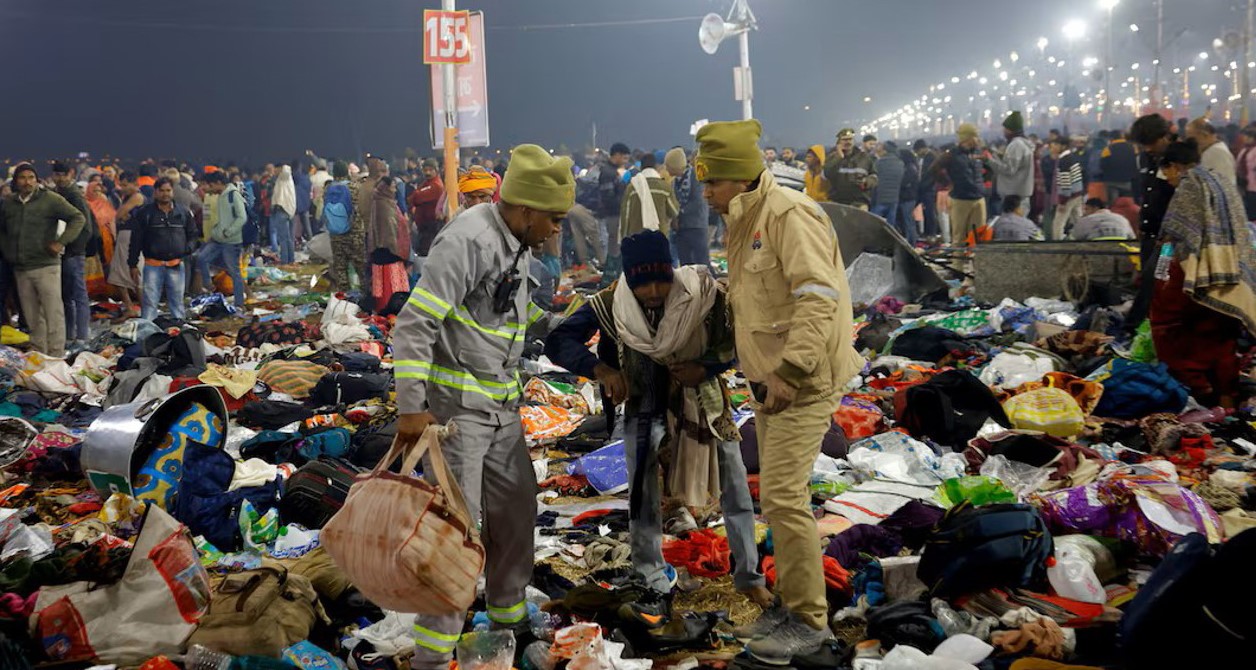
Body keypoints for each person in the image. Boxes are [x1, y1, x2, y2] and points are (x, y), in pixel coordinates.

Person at [391, 145, 572, 670]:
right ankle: (434, 655)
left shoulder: (519, 245)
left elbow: (506, 318)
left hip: (502, 408)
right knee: (456, 533)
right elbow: (414, 325)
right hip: (457, 418)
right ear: (525, 209)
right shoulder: (467, 239)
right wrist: (410, 410)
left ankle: (507, 615)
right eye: (553, 219)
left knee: (516, 512)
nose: (557, 230)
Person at [696, 119, 863, 663]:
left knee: (786, 498)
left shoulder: (789, 215)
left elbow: (819, 297)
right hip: (771, 380)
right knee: (776, 495)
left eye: (713, 183)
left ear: (741, 179)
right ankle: (789, 605)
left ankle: (809, 623)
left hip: (804, 379)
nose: (706, 193)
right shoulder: (745, 219)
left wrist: (791, 370)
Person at [544, 229, 770, 617]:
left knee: (734, 487)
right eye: (641, 283)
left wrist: (706, 367)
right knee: (643, 499)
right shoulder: (611, 303)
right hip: (644, 409)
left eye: (660, 280)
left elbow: (737, 341)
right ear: (628, 280)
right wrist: (601, 369)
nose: (652, 291)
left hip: (706, 408)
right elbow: (560, 340)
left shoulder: (702, 295)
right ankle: (651, 578)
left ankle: (749, 577)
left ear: (672, 271)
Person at [1152, 140, 1256, 407]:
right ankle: (1227, 399)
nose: (1168, 180)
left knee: (1171, 330)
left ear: (1174, 167)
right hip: (1231, 273)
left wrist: (1159, 277)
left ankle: (1200, 394)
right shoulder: (1220, 181)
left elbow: (1175, 236)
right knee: (1223, 339)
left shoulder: (1190, 185)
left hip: (1194, 274)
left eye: (1167, 173)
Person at [0, 163, 85, 357]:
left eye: (31, 177)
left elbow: (77, 218)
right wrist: (8, 251)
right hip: (21, 267)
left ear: (37, 179)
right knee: (31, 316)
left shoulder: (50, 199)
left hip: (46, 265)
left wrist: (61, 242)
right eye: (22, 178)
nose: (27, 182)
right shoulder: (9, 203)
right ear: (16, 181)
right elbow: (2, 230)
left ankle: (56, 355)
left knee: (52, 312)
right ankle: (39, 353)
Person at [1126, 113, 1180, 329]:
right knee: (1148, 283)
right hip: (1149, 233)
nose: (1148, 148)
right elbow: (1148, 194)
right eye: (1144, 144)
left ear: (1165, 136)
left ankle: (1134, 328)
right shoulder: (1148, 159)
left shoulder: (1177, 160)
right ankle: (1146, 330)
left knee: (1153, 284)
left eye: (1151, 143)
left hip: (1167, 239)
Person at [129, 177, 198, 321]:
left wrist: (187, 249)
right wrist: (132, 263)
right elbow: (135, 240)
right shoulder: (145, 213)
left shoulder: (183, 212)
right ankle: (149, 334)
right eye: (162, 191)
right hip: (152, 265)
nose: (165, 194)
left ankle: (179, 332)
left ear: (173, 192)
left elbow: (193, 234)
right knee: (149, 303)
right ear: (155, 192)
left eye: (168, 190)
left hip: (176, 264)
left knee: (177, 303)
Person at [50, 162, 95, 348]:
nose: (60, 178)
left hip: (72, 252)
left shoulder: (74, 196)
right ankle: (70, 335)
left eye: (63, 174)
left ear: (71, 174)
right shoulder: (57, 194)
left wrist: (72, 247)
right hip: (61, 253)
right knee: (66, 296)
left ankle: (82, 336)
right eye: (57, 174)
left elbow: (85, 227)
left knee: (78, 295)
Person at [197, 171, 248, 310]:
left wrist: (229, 231)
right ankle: (208, 284)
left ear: (219, 183)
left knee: (234, 272)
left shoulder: (233, 195)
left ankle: (239, 304)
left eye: (211, 185)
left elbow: (242, 217)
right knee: (201, 258)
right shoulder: (220, 196)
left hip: (231, 241)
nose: (210, 188)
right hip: (218, 238)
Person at [933, 124, 986, 246]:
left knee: (978, 238)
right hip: (960, 200)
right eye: (976, 136)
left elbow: (986, 170)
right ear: (968, 138)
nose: (978, 139)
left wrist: (981, 185)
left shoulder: (978, 153)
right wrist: (948, 183)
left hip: (979, 199)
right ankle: (958, 264)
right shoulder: (952, 154)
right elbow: (935, 169)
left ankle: (975, 263)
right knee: (959, 238)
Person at [110, 171, 146, 316]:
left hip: (130, 236)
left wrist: (121, 216)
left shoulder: (137, 197)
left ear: (134, 184)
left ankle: (139, 307)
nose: (122, 188)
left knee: (131, 274)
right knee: (121, 273)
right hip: (126, 235)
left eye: (125, 185)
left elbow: (118, 215)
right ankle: (132, 307)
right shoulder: (128, 197)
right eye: (121, 184)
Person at [328, 161, 367, 292]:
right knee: (361, 268)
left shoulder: (328, 189)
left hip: (335, 235)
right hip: (355, 234)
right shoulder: (355, 187)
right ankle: (365, 297)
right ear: (347, 172)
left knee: (340, 269)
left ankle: (344, 299)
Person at [621, 153, 679, 239]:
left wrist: (624, 236)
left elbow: (625, 215)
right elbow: (674, 211)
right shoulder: (664, 187)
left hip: (636, 237)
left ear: (641, 167)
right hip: (659, 237)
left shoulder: (632, 187)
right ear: (656, 167)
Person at [670, 149, 710, 267]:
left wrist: (678, 212)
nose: (666, 170)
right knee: (685, 265)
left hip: (697, 226)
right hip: (681, 228)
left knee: (702, 263)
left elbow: (699, 201)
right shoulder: (674, 181)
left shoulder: (697, 176)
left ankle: (708, 285)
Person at [986, 111, 1035, 204]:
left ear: (1011, 130)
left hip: (1014, 196)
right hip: (1021, 194)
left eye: (1005, 128)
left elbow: (1009, 169)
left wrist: (988, 160)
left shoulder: (1016, 145)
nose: (1003, 131)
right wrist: (997, 155)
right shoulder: (1024, 143)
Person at [824, 128, 878, 209]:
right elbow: (827, 174)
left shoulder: (864, 158)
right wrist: (839, 157)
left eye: (850, 139)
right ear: (839, 142)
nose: (848, 142)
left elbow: (874, 176)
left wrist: (867, 182)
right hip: (837, 202)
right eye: (844, 140)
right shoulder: (832, 157)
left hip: (859, 202)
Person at [1050, 136, 1087, 240]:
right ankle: (1083, 240)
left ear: (1063, 146)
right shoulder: (1073, 157)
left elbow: (1065, 183)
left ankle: (1057, 246)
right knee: (1078, 221)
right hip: (1077, 194)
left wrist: (1062, 202)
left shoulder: (1064, 161)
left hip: (1068, 197)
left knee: (1058, 223)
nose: (1053, 147)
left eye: (1056, 145)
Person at [408, 159, 445, 257]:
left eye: (430, 170)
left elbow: (415, 197)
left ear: (436, 170)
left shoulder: (436, 185)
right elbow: (413, 198)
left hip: (430, 228)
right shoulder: (426, 183)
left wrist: (416, 195)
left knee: (427, 255)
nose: (427, 172)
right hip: (424, 228)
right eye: (425, 170)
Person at [1186, 117, 1237, 185]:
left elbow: (1220, 184)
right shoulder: (1212, 149)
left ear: (1204, 135)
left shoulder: (1216, 152)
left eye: (1192, 136)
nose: (1189, 140)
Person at [1100, 130, 1139, 205]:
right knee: (1128, 204)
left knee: (1113, 205)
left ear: (1111, 138)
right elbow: (1137, 163)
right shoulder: (1133, 148)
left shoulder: (1107, 149)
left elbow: (1102, 166)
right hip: (1129, 181)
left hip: (1112, 182)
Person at [871, 142, 904, 225]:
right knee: (890, 224)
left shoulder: (878, 163)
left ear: (885, 151)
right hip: (894, 198)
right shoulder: (900, 163)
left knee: (873, 222)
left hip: (880, 198)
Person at [271, 164, 297, 264]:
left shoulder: (285, 176)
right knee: (287, 238)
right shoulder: (283, 179)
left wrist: (283, 168)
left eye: (275, 170)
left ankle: (285, 261)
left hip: (282, 210)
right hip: (287, 210)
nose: (274, 172)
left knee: (283, 238)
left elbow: (286, 170)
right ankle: (291, 260)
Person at [915, 140, 941, 239]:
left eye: (918, 151)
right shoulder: (924, 158)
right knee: (926, 212)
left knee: (930, 212)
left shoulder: (932, 157)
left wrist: (924, 186)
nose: (917, 154)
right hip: (924, 188)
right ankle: (927, 232)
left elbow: (930, 175)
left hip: (929, 189)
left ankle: (931, 233)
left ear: (922, 148)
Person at [898, 147, 920, 246]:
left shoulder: (910, 168)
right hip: (909, 197)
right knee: (909, 220)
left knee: (909, 221)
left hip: (907, 198)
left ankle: (912, 242)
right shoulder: (912, 167)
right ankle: (911, 240)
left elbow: (904, 182)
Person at [1235, 126, 1256, 219]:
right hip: (1244, 185)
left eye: (1249, 137)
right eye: (1245, 136)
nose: (1245, 139)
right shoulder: (1244, 150)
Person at [292, 160, 313, 248]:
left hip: (296, 204)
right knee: (307, 227)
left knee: (293, 227)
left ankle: (293, 244)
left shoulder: (295, 177)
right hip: (306, 204)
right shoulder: (307, 178)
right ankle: (312, 244)